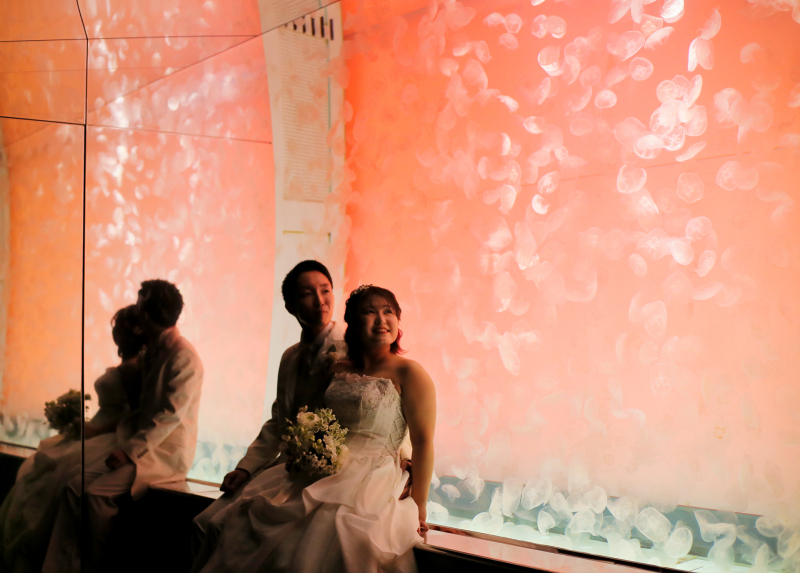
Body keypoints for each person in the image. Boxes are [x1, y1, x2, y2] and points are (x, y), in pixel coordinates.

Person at [198, 284, 436, 573]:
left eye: (389, 312)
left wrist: (419, 506)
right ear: (352, 322)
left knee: (340, 536)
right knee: (245, 523)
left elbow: (423, 442)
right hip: (326, 468)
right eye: (370, 312)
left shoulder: (410, 372)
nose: (381, 320)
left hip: (375, 478)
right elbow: (313, 419)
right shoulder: (335, 370)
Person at [191, 260, 347, 570]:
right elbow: (279, 421)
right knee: (205, 523)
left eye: (325, 290)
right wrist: (246, 467)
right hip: (287, 468)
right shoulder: (290, 357)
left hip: (331, 473)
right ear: (290, 305)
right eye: (307, 294)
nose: (320, 301)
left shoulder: (350, 350)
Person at [42, 279, 204, 573]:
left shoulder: (183, 356)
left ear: (150, 313)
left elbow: (169, 416)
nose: (136, 312)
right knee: (74, 486)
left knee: (96, 495)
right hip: (140, 443)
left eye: (141, 307)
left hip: (164, 452)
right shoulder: (154, 350)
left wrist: (129, 451)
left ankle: (93, 566)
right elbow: (141, 408)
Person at [0, 305, 145, 573]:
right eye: (115, 326)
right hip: (98, 427)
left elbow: (133, 415)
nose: (115, 331)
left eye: (120, 328)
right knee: (40, 472)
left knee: (56, 477)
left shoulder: (135, 368)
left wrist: (97, 431)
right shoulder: (130, 365)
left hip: (109, 433)